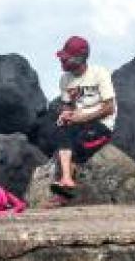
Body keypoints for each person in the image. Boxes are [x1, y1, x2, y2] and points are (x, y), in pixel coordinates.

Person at [50, 35, 116, 201]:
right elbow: (67, 106)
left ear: (79, 58)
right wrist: (66, 115)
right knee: (62, 130)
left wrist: (83, 117)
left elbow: (109, 108)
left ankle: (64, 190)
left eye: (66, 58)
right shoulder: (65, 80)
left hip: (101, 125)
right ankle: (66, 180)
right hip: (79, 123)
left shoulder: (99, 73)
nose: (62, 61)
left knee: (76, 144)